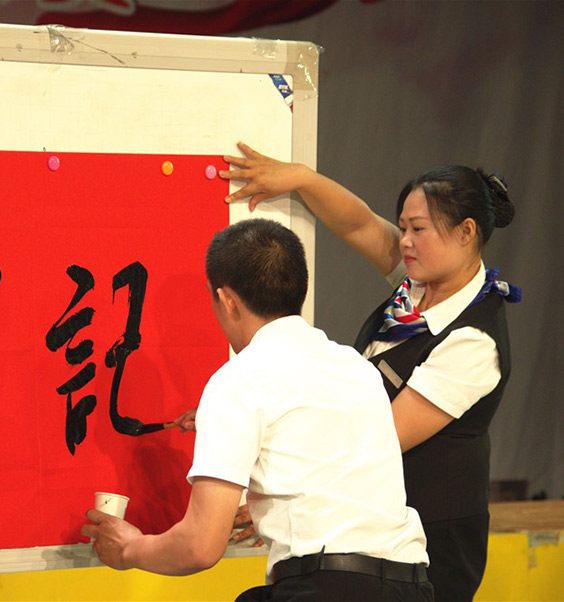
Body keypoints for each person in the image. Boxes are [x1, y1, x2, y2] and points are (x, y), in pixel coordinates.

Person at [221, 142, 519, 601]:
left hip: (431, 541)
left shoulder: (473, 340)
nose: (404, 241)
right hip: (369, 526)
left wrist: (273, 469)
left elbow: (377, 435)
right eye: (403, 227)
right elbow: (359, 223)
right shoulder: (417, 288)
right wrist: (300, 177)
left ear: (466, 232)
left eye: (418, 229)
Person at [83, 218, 433, 602]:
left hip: (326, 588)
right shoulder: (355, 367)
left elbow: (200, 546)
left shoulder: (238, 380)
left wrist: (129, 549)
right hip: (411, 586)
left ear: (227, 300)